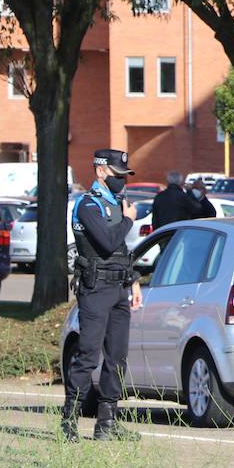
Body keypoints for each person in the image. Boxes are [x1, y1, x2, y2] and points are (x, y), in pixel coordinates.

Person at [62, 149, 143, 442]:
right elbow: (108, 242)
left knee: (117, 357)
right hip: (95, 289)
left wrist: (133, 280)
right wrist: (129, 220)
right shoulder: (88, 205)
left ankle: (107, 422)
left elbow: (121, 252)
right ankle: (69, 420)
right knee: (87, 355)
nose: (123, 181)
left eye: (125, 176)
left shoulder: (116, 203)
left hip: (119, 288)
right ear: (101, 172)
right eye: (117, 175)